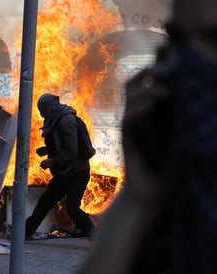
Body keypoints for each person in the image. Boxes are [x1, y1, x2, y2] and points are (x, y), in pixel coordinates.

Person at [77, 0, 217, 273]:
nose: (190, 61)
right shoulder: (170, 195)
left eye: (214, 40)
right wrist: (136, 199)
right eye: (178, 40)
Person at [25, 93, 94, 240]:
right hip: (64, 173)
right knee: (45, 201)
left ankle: (93, 232)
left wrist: (51, 161)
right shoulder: (56, 119)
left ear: (51, 108)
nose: (42, 114)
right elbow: (61, 144)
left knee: (72, 208)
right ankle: (24, 232)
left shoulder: (66, 121)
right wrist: (47, 150)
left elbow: (71, 151)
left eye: (44, 110)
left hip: (77, 174)